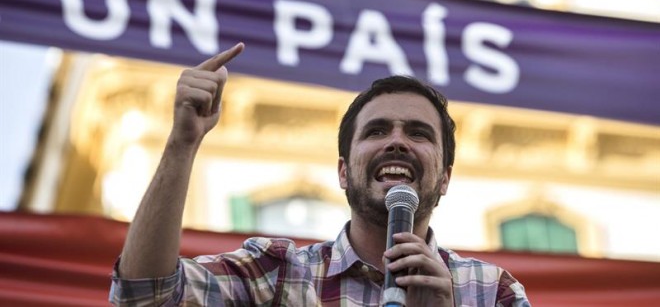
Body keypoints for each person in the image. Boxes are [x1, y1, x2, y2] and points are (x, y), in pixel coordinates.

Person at [110, 43, 530, 306]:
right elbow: (145, 296)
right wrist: (182, 144)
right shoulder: (276, 274)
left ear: (444, 179)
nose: (397, 142)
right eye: (377, 130)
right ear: (344, 173)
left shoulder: (491, 291)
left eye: (418, 133)